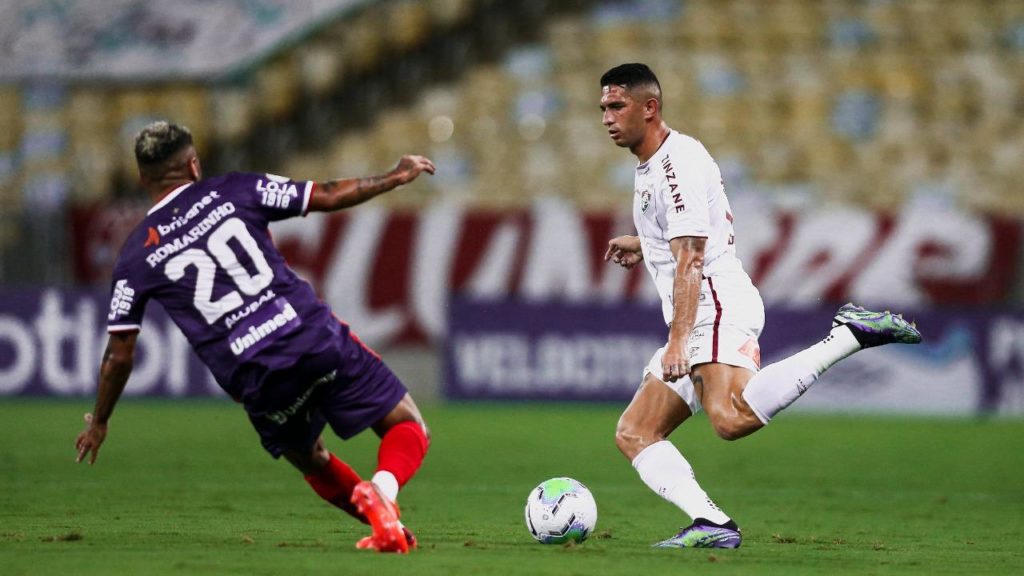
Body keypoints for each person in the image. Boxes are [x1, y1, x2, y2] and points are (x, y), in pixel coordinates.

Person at [599, 63, 921, 549]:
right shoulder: (654, 163)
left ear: (650, 108)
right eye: (603, 107)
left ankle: (847, 336)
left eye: (617, 106)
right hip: (703, 306)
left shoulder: (675, 164)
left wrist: (679, 342)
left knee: (728, 419)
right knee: (635, 432)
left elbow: (692, 257)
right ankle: (712, 524)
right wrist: (646, 243)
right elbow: (685, 236)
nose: (607, 116)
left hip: (713, 304)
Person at [75, 121, 436, 554]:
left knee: (312, 458)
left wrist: (100, 420)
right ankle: (383, 493)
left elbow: (119, 354)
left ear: (141, 178)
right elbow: (325, 194)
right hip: (309, 336)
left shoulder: (135, 254)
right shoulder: (235, 189)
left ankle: (384, 524)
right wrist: (392, 177)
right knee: (407, 423)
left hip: (255, 377)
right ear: (193, 164)